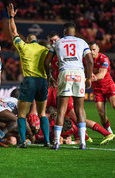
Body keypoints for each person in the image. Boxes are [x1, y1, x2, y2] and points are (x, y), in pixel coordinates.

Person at [47, 32, 115, 145]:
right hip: (60, 86)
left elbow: (87, 61)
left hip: (66, 85)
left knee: (74, 115)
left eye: (55, 40)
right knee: (70, 116)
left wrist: (88, 77)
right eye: (51, 41)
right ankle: (84, 137)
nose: (53, 43)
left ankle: (106, 134)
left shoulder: (62, 53)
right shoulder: (56, 54)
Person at [44, 22, 94, 150]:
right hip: (78, 74)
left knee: (61, 109)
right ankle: (82, 142)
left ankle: (56, 142)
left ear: (64, 32)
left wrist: (49, 77)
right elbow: (90, 61)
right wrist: (88, 77)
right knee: (80, 109)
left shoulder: (57, 43)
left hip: (64, 73)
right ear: (74, 32)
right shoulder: (82, 42)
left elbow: (46, 62)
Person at [7, 3, 50, 148]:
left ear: (27, 40)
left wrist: (11, 17)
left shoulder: (24, 46)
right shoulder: (45, 50)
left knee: (22, 114)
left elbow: (13, 32)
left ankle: (22, 141)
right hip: (43, 81)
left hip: (29, 81)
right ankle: (48, 141)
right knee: (42, 113)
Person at [89, 41, 115, 132]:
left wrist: (87, 80)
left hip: (108, 86)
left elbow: (102, 75)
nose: (92, 52)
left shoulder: (104, 59)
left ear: (98, 49)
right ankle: (109, 132)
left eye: (94, 50)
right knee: (101, 113)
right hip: (97, 89)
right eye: (90, 50)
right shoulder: (86, 60)